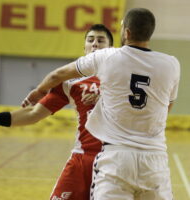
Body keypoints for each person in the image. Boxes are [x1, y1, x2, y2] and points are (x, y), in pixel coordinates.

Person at [21, 8, 180, 200]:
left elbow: (57, 75)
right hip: (155, 158)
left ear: (126, 32)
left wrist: (39, 91)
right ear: (150, 33)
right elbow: (166, 108)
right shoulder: (172, 64)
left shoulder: (108, 56)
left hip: (116, 157)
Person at [0, 24, 113, 200]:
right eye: (90, 40)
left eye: (100, 40)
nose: (95, 44)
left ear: (110, 48)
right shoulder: (70, 83)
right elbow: (33, 114)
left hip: (113, 159)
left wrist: (105, 95)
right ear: (84, 46)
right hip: (82, 158)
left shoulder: (121, 79)